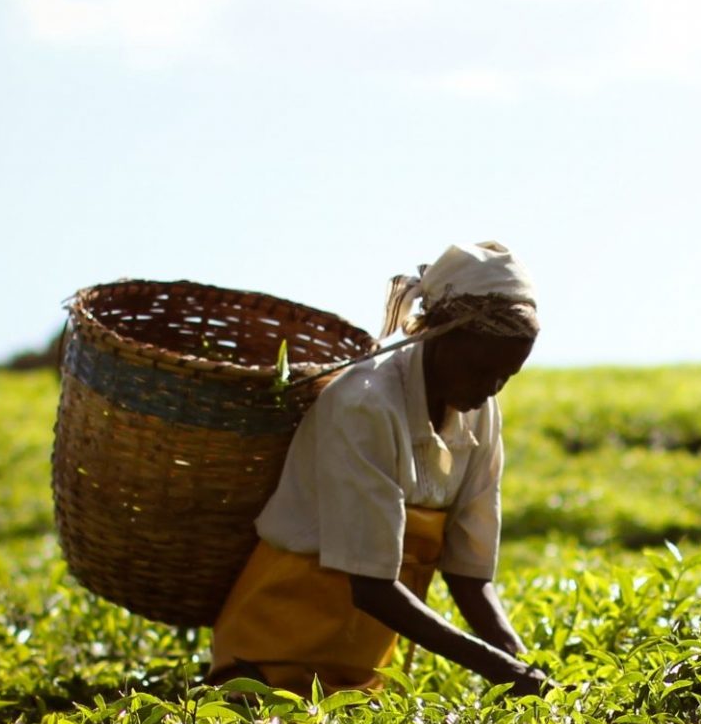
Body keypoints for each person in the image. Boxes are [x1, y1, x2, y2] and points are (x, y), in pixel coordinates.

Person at [208, 241, 549, 699]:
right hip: (271, 652)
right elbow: (371, 586)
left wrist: (519, 658)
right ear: (438, 333)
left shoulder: (480, 413)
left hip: (362, 669)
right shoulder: (365, 404)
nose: (488, 389)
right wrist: (496, 667)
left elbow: (468, 572)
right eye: (479, 368)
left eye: (505, 376)